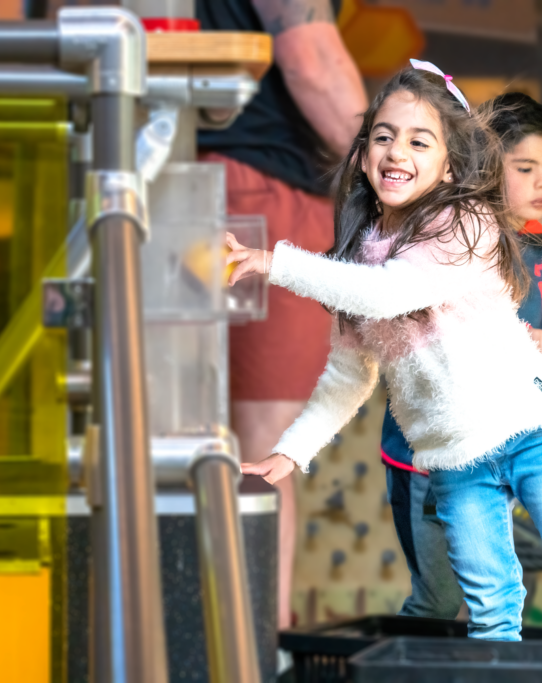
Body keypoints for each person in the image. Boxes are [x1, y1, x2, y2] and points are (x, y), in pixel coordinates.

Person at [227, 63, 542, 682]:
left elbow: (390, 293)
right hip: (454, 462)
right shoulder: (357, 258)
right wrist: (289, 454)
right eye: (384, 136)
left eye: (420, 141)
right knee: (492, 611)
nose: (397, 152)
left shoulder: (463, 225)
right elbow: (347, 376)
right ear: (363, 155)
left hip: (531, 433)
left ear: (447, 165)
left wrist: (268, 261)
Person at [379, 92, 542, 620]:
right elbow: (453, 326)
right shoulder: (458, 240)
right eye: (526, 168)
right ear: (486, 169)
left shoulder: (529, 241)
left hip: (491, 446)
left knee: (490, 599)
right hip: (427, 455)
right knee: (439, 599)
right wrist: (522, 341)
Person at [196, 0, 368, 631]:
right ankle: (252, 654)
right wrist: (406, 185)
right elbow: (312, 59)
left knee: (167, 437)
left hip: (154, 181)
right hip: (253, 193)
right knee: (264, 450)